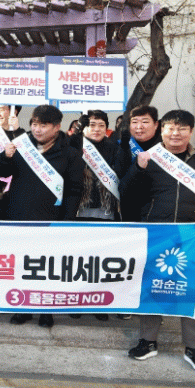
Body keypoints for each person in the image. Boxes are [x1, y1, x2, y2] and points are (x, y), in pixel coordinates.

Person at [119, 110, 195, 372]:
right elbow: (126, 194)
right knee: (153, 286)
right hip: (157, 233)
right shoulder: (149, 158)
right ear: (161, 130)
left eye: (182, 128)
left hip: (192, 235)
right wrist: (138, 168)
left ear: (191, 132)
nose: (176, 134)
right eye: (170, 128)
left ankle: (194, 347)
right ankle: (148, 341)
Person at [0, 104, 85, 328]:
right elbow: (1, 171)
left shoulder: (70, 153)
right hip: (20, 217)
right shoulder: (21, 145)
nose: (37, 129)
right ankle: (23, 308)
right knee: (22, 265)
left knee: (48, 268)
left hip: (51, 219)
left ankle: (46, 310)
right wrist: (6, 156)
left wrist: (67, 220)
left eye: (43, 125)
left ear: (57, 127)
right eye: (34, 124)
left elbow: (75, 190)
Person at [69, 110, 120, 322]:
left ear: (107, 128)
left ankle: (98, 302)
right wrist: (77, 131)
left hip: (105, 210)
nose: (96, 129)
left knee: (101, 259)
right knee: (78, 258)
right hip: (79, 209)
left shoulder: (114, 147)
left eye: (101, 125)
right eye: (92, 125)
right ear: (85, 127)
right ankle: (77, 300)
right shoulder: (76, 144)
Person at [115, 105, 161, 221]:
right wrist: (124, 148)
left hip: (157, 213)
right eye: (134, 122)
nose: (139, 127)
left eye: (145, 122)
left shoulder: (164, 149)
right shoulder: (120, 145)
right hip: (127, 213)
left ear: (156, 125)